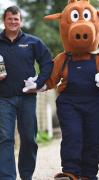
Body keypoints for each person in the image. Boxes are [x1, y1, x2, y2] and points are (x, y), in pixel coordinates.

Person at [0, 6, 53, 180]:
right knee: (5, 138)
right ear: (4, 20)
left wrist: (38, 82)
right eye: (10, 19)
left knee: (29, 138)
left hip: (27, 97)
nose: (13, 22)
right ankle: (7, 177)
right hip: (3, 98)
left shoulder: (32, 42)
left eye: (16, 19)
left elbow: (47, 62)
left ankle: (26, 175)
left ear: (20, 21)